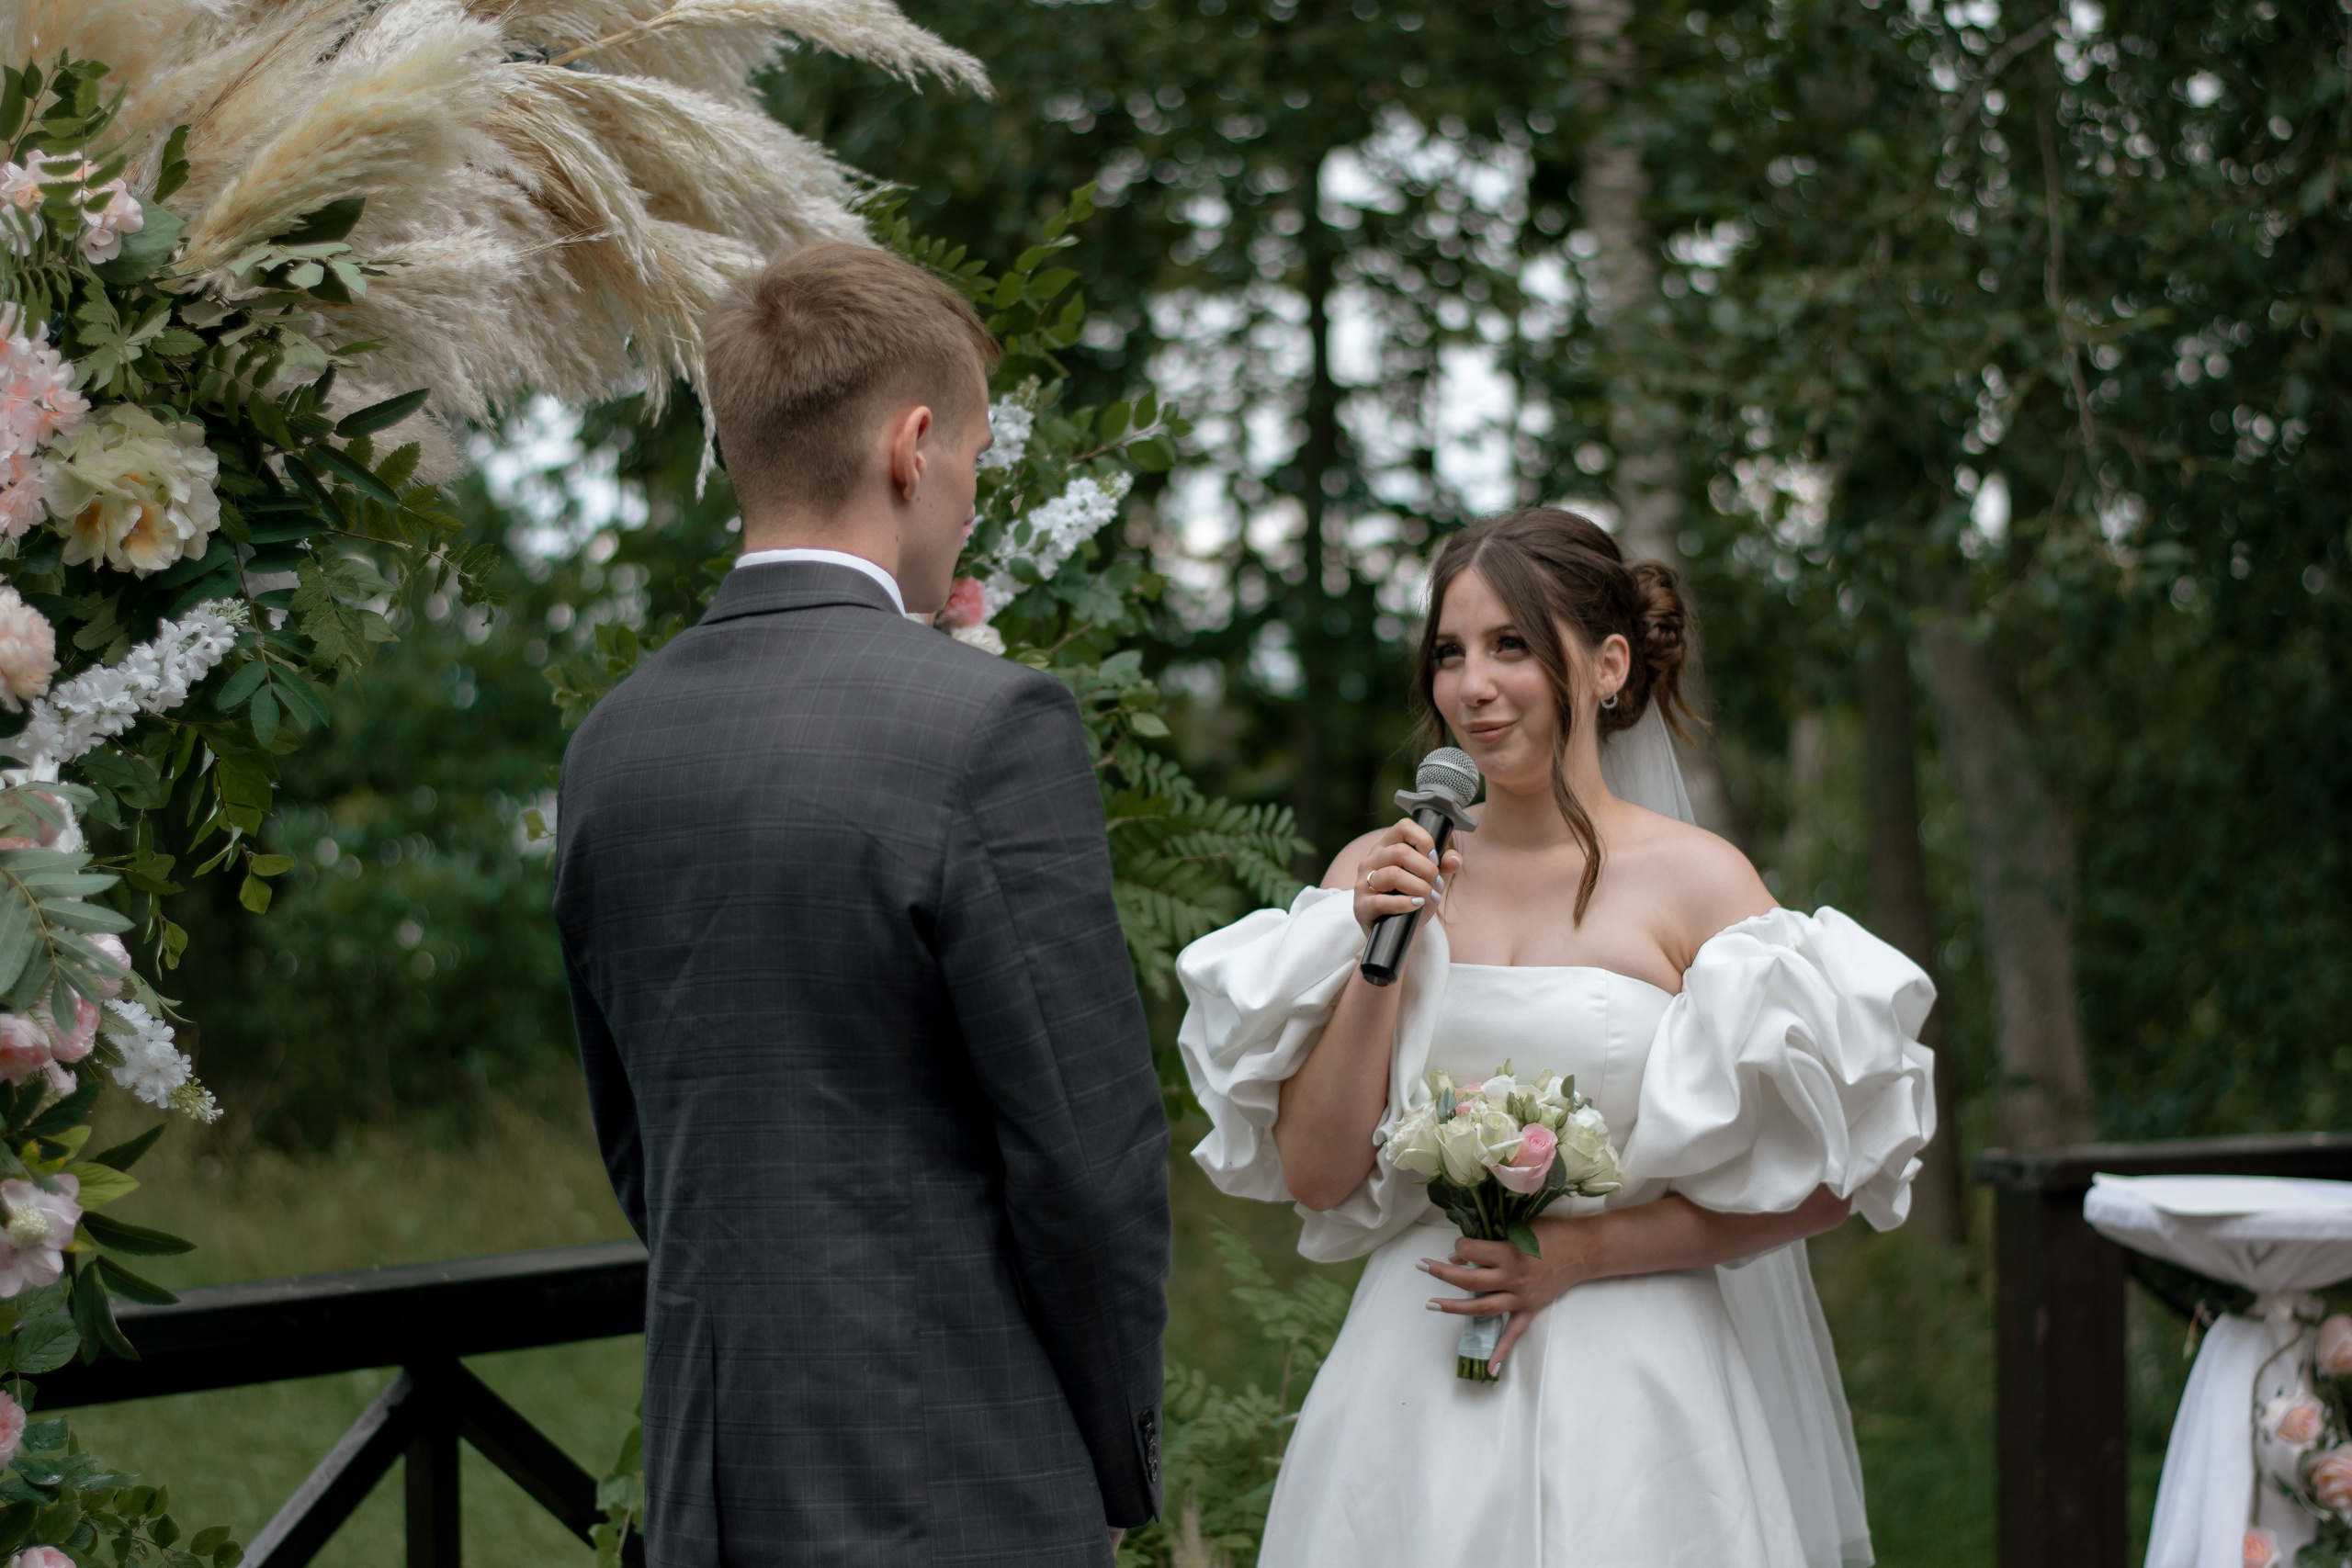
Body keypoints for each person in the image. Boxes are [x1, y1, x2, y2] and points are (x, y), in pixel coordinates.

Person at [554, 243, 1168, 1567]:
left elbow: (640, 1142)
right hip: (959, 1469)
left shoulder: (613, 741)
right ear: (913, 444)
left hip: (711, 1478)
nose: (965, 504)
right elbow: (1086, 1157)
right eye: (974, 461)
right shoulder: (990, 722)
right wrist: (1116, 1455)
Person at [1176, 508, 1937, 1567]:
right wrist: (1374, 956)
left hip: (1638, 1385)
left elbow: (1830, 1175)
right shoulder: (1380, 868)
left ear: (1609, 664)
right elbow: (1314, 1173)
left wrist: (1580, 1253)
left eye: (1512, 646)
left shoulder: (1696, 881)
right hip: (1416, 1370)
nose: (1472, 686)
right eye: (1450, 653)